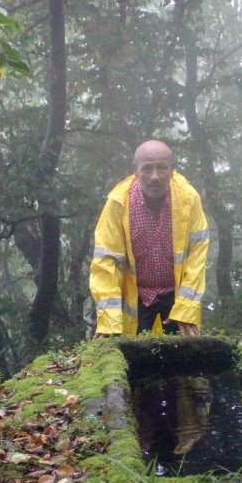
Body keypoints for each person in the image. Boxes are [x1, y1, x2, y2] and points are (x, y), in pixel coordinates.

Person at [90, 140, 209, 337]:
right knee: (131, 360)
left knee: (184, 358)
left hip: (176, 294)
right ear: (135, 171)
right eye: (147, 169)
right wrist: (108, 322)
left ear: (172, 170)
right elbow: (106, 263)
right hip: (137, 297)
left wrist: (186, 309)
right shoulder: (118, 204)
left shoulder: (188, 199)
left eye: (162, 168)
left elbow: (196, 257)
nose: (155, 177)